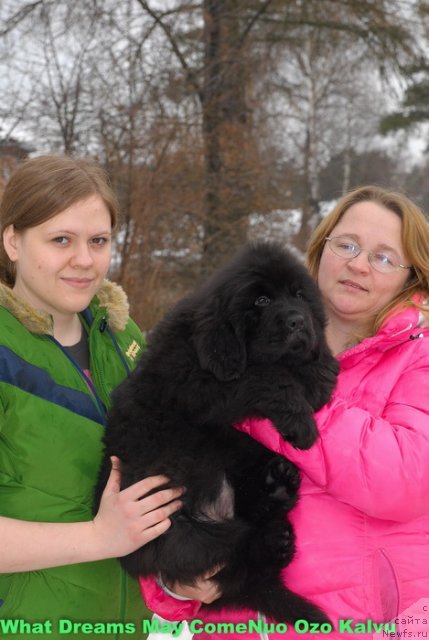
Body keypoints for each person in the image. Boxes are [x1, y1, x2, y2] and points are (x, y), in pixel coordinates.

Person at [140, 186, 429, 639]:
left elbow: (404, 481)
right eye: (347, 245)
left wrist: (268, 396)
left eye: (384, 257)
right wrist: (172, 581)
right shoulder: (235, 332)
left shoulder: (418, 359)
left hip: (368, 625)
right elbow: (164, 456)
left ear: (410, 278)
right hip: (243, 620)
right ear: (321, 249)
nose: (358, 264)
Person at [0, 155, 184, 639]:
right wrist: (98, 538)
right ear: (13, 240)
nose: (84, 259)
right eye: (61, 239)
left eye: (98, 241)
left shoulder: (125, 342)